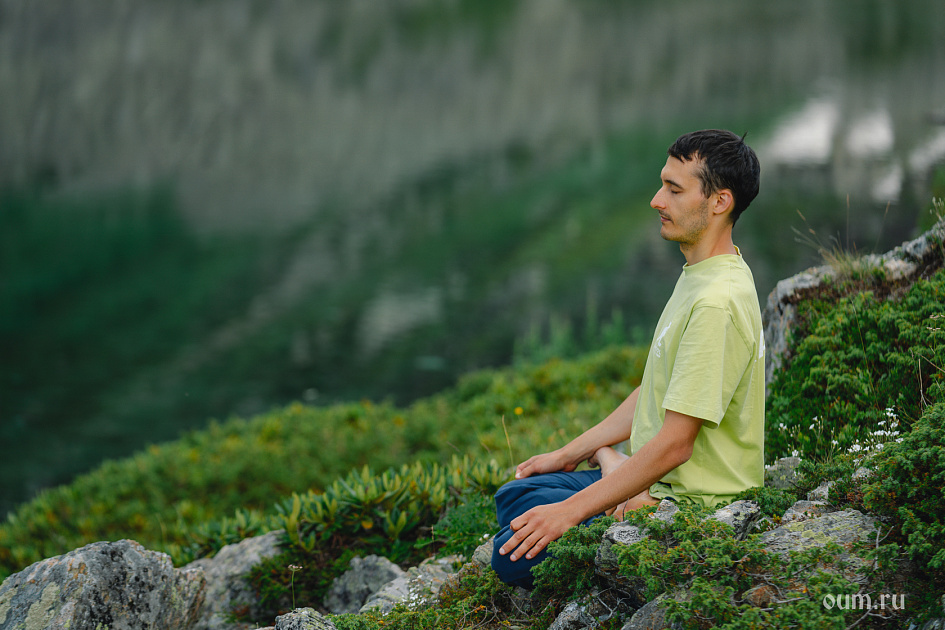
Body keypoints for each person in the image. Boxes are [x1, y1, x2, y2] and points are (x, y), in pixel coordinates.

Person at [491, 129, 765, 588]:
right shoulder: (701, 273)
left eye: (675, 190)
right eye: (663, 184)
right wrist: (566, 453)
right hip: (658, 486)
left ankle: (618, 473)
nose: (658, 200)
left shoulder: (717, 301)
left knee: (510, 556)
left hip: (693, 506)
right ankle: (612, 468)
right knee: (516, 495)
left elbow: (678, 442)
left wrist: (570, 513)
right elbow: (655, 392)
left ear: (719, 202)